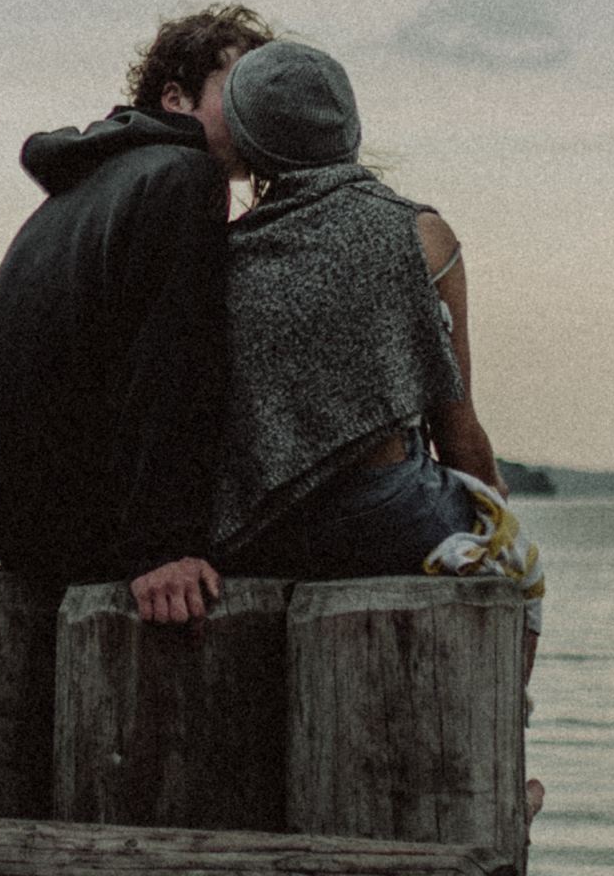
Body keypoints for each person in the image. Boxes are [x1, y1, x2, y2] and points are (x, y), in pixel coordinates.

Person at [208, 39, 544, 662]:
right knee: (519, 571)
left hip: (253, 531)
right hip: (388, 516)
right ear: (351, 127)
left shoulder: (219, 255)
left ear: (248, 142)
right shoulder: (421, 235)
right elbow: (457, 424)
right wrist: (489, 510)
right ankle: (509, 739)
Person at [0, 5, 273, 617]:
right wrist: (163, 546)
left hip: (9, 517)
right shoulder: (185, 175)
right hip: (80, 524)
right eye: (241, 91)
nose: (261, 109)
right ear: (175, 99)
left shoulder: (96, 181)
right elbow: (172, 359)